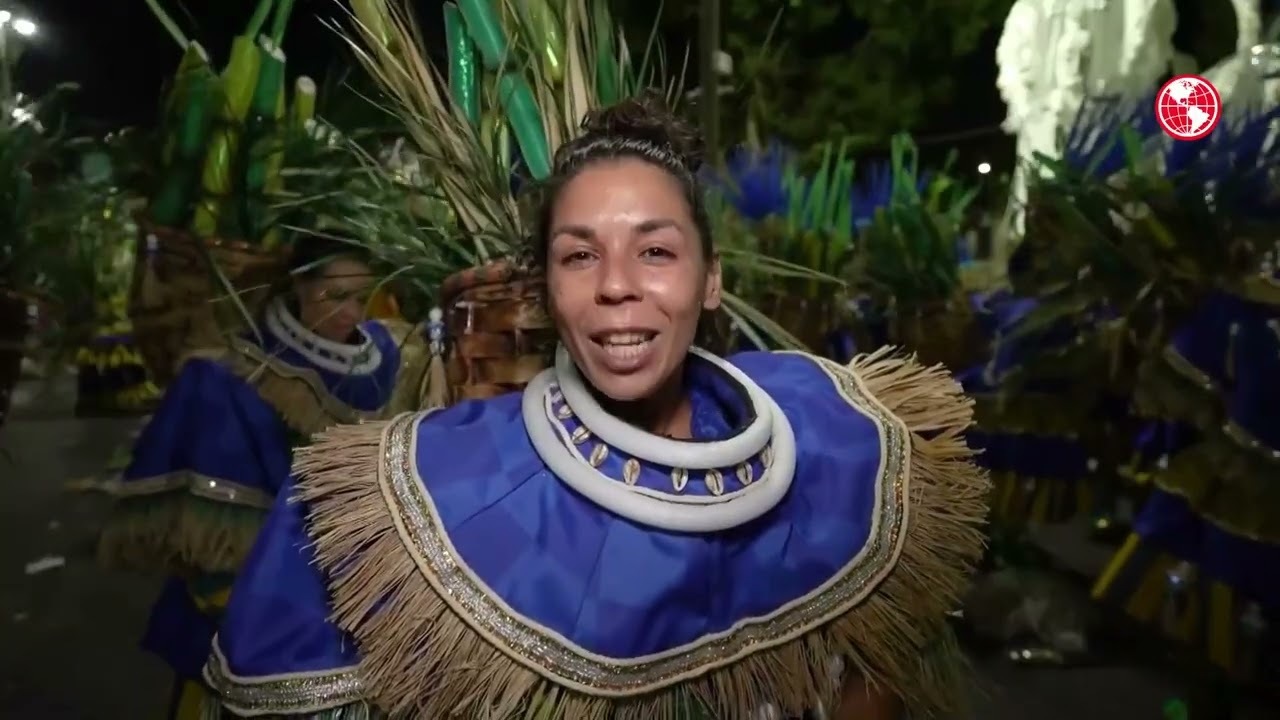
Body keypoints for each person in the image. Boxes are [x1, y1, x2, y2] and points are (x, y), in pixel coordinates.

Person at [203, 95, 989, 720]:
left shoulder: (838, 451)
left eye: (656, 251)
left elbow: (872, 689)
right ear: (546, 289)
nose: (616, 285)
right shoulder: (433, 492)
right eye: (580, 254)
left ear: (711, 279)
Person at [91, 240, 419, 720]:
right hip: (266, 592)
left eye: (361, 297)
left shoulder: (396, 360)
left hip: (365, 592)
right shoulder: (235, 377)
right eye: (334, 296)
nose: (351, 312)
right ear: (298, 288)